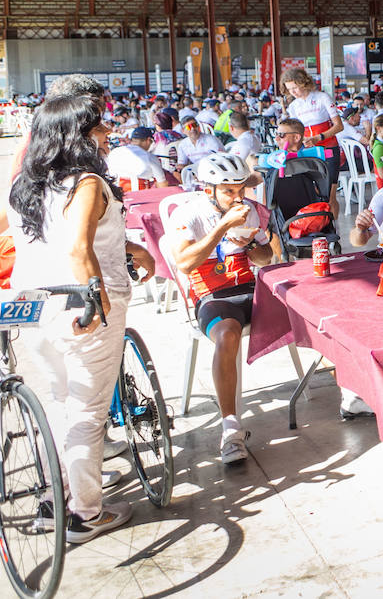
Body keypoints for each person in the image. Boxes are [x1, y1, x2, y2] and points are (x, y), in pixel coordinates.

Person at [8, 94, 156, 542]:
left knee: (61, 401)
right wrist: (98, 301)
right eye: (98, 128)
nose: (107, 134)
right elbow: (76, 248)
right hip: (79, 306)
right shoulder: (87, 182)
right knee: (88, 412)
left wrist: (133, 249)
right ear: (77, 136)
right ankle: (86, 513)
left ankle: (57, 497)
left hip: (32, 307)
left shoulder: (26, 185)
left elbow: (59, 237)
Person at [167, 154, 278, 464]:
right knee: (227, 335)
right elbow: (185, 263)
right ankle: (230, 429)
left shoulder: (250, 212)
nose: (238, 196)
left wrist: (252, 243)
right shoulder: (187, 215)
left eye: (241, 188)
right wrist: (221, 229)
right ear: (208, 190)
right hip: (211, 294)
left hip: (249, 288)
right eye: (228, 191)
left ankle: (351, 397)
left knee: (304, 307)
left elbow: (264, 259)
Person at [282, 68, 343, 208]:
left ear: (303, 83)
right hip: (309, 152)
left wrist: (319, 137)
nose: (293, 92)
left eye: (295, 87)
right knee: (314, 197)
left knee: (330, 197)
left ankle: (334, 228)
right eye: (289, 89)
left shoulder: (322, 97)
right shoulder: (293, 106)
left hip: (328, 149)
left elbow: (339, 126)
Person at [106, 126, 170, 191]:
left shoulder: (115, 152)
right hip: (138, 194)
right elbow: (162, 184)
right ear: (148, 140)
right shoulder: (149, 156)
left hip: (113, 193)